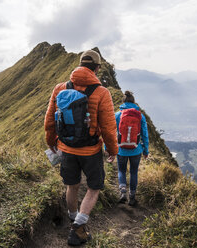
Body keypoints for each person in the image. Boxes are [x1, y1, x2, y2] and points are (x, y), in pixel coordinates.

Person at [44, 50, 118, 246]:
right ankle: (78, 227)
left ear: (79, 65)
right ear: (97, 68)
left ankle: (73, 217)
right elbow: (109, 128)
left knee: (72, 185)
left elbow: (50, 120)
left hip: (66, 148)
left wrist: (51, 141)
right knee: (94, 188)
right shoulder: (102, 92)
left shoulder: (60, 88)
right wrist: (113, 151)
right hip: (91, 151)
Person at [115, 91, 149, 206]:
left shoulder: (117, 115)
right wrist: (146, 150)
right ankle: (132, 197)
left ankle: (123, 192)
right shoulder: (140, 116)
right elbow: (145, 134)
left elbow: (111, 132)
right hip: (136, 149)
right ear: (134, 102)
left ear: (123, 102)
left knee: (121, 170)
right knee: (134, 172)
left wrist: (108, 148)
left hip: (121, 150)